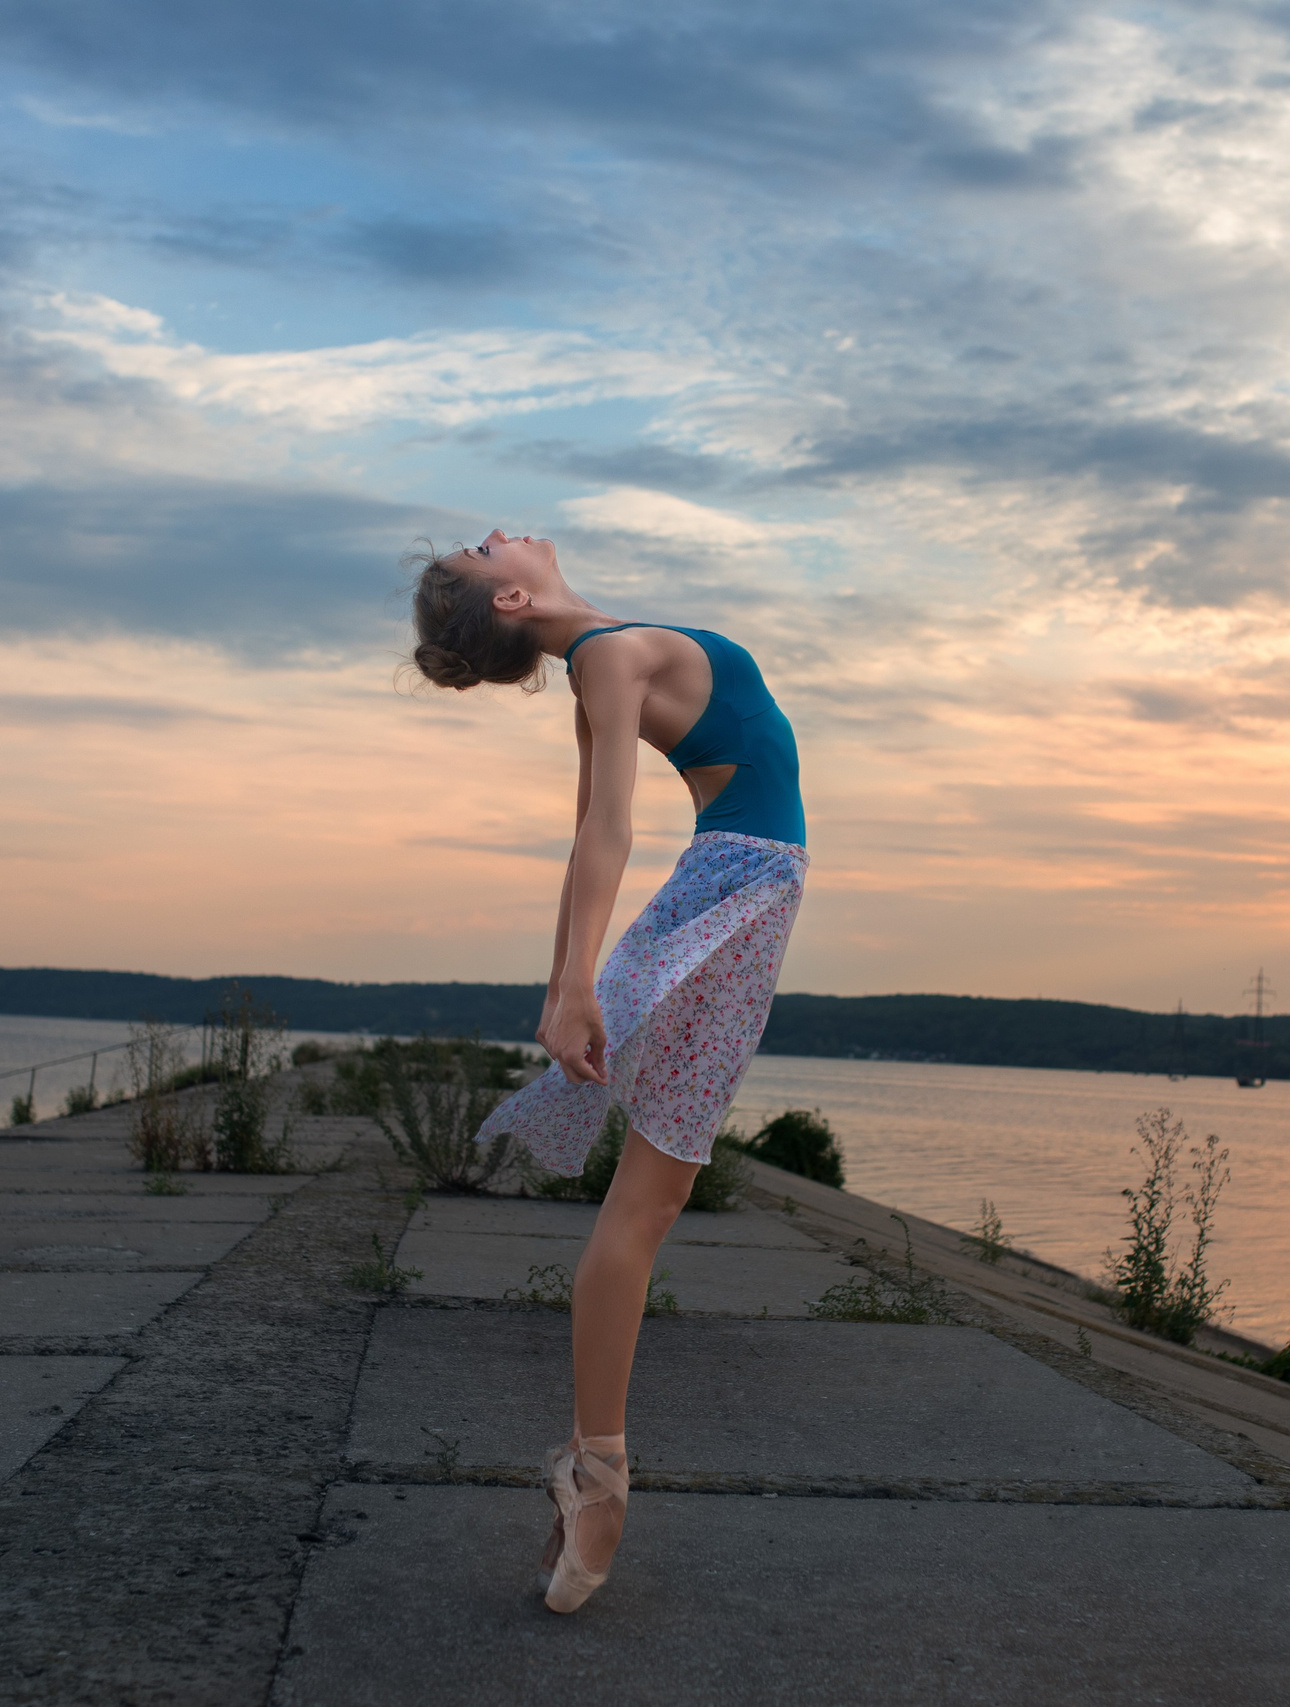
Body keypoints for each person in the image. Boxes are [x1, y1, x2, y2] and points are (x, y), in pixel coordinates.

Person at [408, 529, 809, 1614]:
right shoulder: (604, 657)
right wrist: (571, 986)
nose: (498, 533)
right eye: (482, 550)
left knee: (649, 1204)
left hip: (734, 890)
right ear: (513, 597)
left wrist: (564, 989)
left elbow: (590, 829)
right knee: (646, 1204)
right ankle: (599, 1480)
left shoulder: (605, 654)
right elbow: (606, 832)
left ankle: (596, 1476)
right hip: (737, 891)